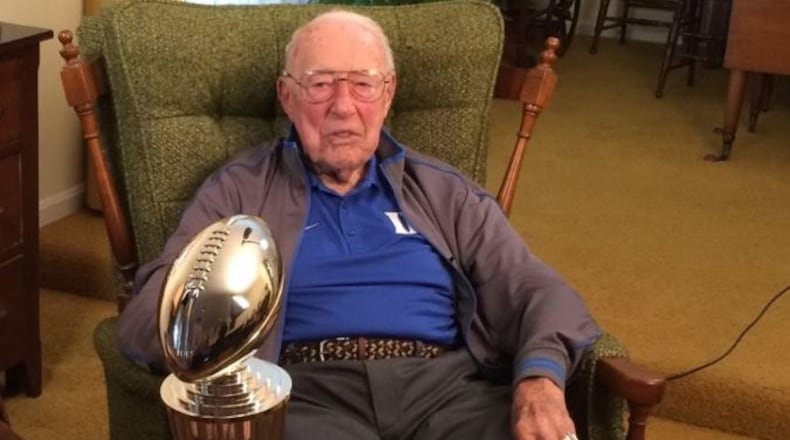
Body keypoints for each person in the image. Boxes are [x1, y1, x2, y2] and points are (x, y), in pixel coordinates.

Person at [118, 9, 598, 440]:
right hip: (307, 394)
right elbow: (147, 316)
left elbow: (537, 289)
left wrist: (540, 381)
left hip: (447, 391)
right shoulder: (238, 193)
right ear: (288, 96)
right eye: (321, 84)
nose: (343, 107)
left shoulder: (444, 192)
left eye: (363, 84)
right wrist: (201, 337)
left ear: (388, 94)